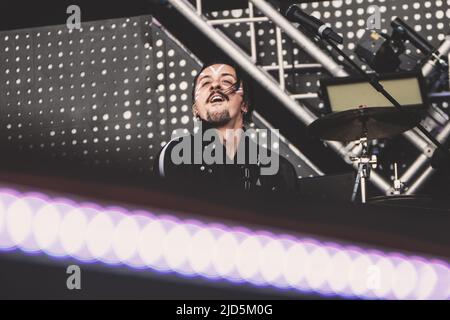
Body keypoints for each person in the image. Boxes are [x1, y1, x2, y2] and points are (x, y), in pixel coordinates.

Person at [154, 59, 298, 193]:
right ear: (196, 110)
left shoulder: (279, 169)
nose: (215, 85)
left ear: (244, 104)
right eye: (205, 83)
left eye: (227, 81)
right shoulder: (176, 155)